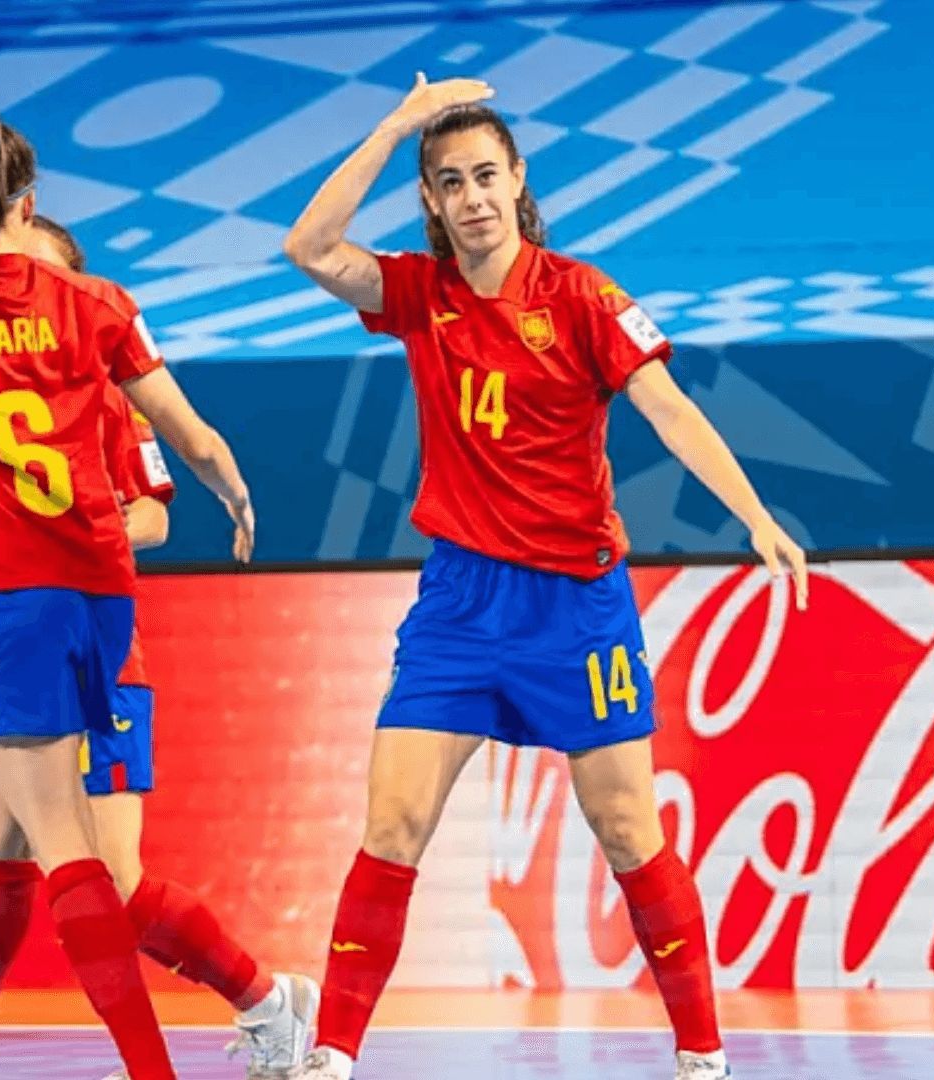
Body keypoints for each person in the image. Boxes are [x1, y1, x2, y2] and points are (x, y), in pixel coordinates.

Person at [279, 76, 811, 1080]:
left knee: (624, 825)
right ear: (430, 200)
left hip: (576, 605)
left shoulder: (582, 296)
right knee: (392, 823)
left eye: (487, 175)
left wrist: (754, 515)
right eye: (450, 182)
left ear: (517, 182)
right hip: (460, 604)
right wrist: (392, 128)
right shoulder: (418, 296)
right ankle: (336, 1055)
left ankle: (703, 1053)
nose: (473, 196)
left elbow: (668, 408)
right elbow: (307, 248)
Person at [0, 94, 253, 1080]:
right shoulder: (98, 303)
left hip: (2, 597)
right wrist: (234, 492)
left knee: (64, 844)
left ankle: (152, 1068)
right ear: (27, 200)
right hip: (100, 598)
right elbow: (190, 435)